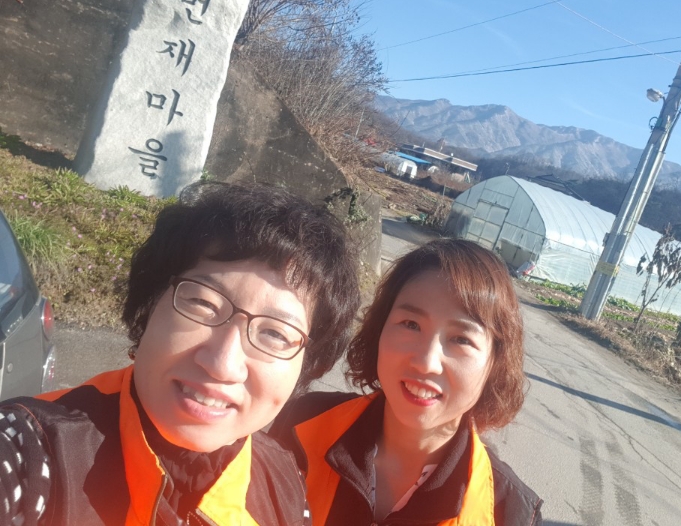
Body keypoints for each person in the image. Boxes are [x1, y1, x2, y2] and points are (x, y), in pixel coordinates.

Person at [0, 181, 360, 526]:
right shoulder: (28, 452)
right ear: (149, 305)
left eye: (275, 334)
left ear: (306, 366)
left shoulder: (285, 485)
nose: (222, 364)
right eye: (203, 304)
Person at [271, 239, 543, 525]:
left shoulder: (511, 512)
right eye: (411, 325)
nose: (426, 362)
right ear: (380, 328)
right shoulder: (301, 423)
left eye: (461, 339)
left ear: (495, 363)